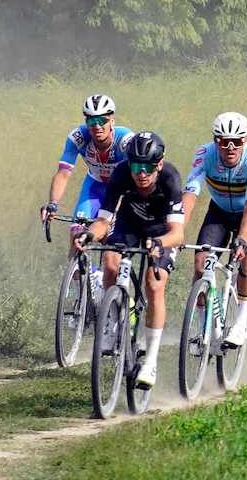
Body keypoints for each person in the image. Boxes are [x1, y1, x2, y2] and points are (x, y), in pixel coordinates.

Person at [85, 131, 185, 390]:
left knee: (154, 283)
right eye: (136, 166)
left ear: (159, 164)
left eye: (148, 167)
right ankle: (111, 320)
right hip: (129, 224)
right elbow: (104, 221)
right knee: (109, 262)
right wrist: (88, 236)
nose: (142, 173)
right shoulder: (120, 173)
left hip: (161, 231)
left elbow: (178, 233)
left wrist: (161, 243)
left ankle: (150, 360)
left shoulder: (170, 178)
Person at [180, 112, 247, 347]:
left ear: (245, 141)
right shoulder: (204, 154)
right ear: (214, 140)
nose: (230, 147)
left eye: (237, 142)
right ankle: (203, 327)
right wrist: (178, 229)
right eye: (223, 141)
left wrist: (242, 238)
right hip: (218, 210)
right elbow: (190, 193)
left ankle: (241, 322)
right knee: (200, 264)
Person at [41, 94, 133, 253]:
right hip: (94, 187)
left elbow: (133, 178)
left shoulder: (124, 140)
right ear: (86, 123)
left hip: (121, 191)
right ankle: (86, 275)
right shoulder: (78, 137)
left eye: (102, 120)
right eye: (91, 121)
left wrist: (117, 210)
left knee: (109, 242)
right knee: (76, 236)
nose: (97, 126)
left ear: (112, 120)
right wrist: (53, 203)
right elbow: (63, 173)